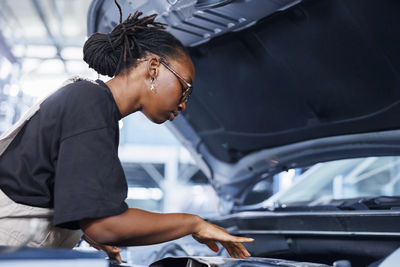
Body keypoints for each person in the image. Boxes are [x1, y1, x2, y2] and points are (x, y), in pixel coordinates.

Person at [0, 1, 253, 263]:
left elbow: (38, 186)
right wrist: (194, 223)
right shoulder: (90, 103)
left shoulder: (91, 101)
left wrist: (79, 231)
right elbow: (105, 226)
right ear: (153, 68)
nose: (183, 103)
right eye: (185, 88)